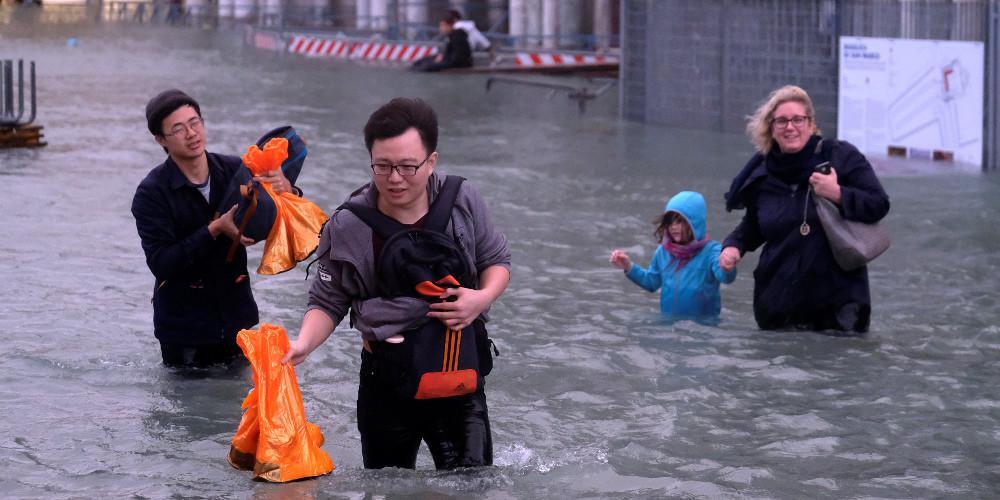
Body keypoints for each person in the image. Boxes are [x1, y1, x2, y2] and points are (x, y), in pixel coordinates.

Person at [281, 98, 511, 469]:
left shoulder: (462, 200)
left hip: (458, 382)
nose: (395, 178)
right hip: (385, 383)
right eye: (383, 166)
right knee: (386, 488)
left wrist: (480, 298)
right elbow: (328, 299)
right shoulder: (349, 224)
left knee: (471, 487)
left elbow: (496, 261)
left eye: (407, 166)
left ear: (431, 160)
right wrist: (303, 343)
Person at [131, 89, 296, 367]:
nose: (191, 134)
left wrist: (287, 191)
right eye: (179, 129)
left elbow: (275, 220)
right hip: (184, 331)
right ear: (161, 140)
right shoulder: (152, 193)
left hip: (237, 320)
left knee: (237, 407)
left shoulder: (235, 170)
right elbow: (162, 263)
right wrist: (214, 229)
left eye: (195, 123)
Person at [719, 85, 890, 334]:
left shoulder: (840, 156)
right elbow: (754, 225)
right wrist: (733, 246)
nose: (790, 127)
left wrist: (838, 194)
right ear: (771, 128)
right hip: (779, 307)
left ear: (811, 124)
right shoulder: (762, 174)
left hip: (839, 310)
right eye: (782, 121)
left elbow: (879, 204)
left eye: (798, 119)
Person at [609, 191, 736, 324]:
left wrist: (727, 268)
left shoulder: (712, 251)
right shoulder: (663, 252)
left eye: (680, 221)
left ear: (695, 223)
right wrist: (628, 267)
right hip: (669, 326)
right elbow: (651, 282)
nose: (674, 226)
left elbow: (725, 278)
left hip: (704, 327)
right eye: (670, 222)